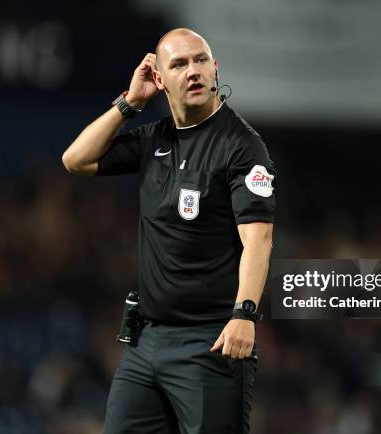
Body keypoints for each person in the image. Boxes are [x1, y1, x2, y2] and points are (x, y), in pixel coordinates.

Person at [62, 28, 276, 434]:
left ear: (216, 69)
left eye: (200, 61)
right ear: (159, 79)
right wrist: (130, 103)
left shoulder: (242, 146)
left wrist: (245, 313)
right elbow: (75, 159)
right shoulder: (153, 139)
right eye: (179, 64)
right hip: (147, 342)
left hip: (210, 342)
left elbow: (259, 239)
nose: (193, 71)